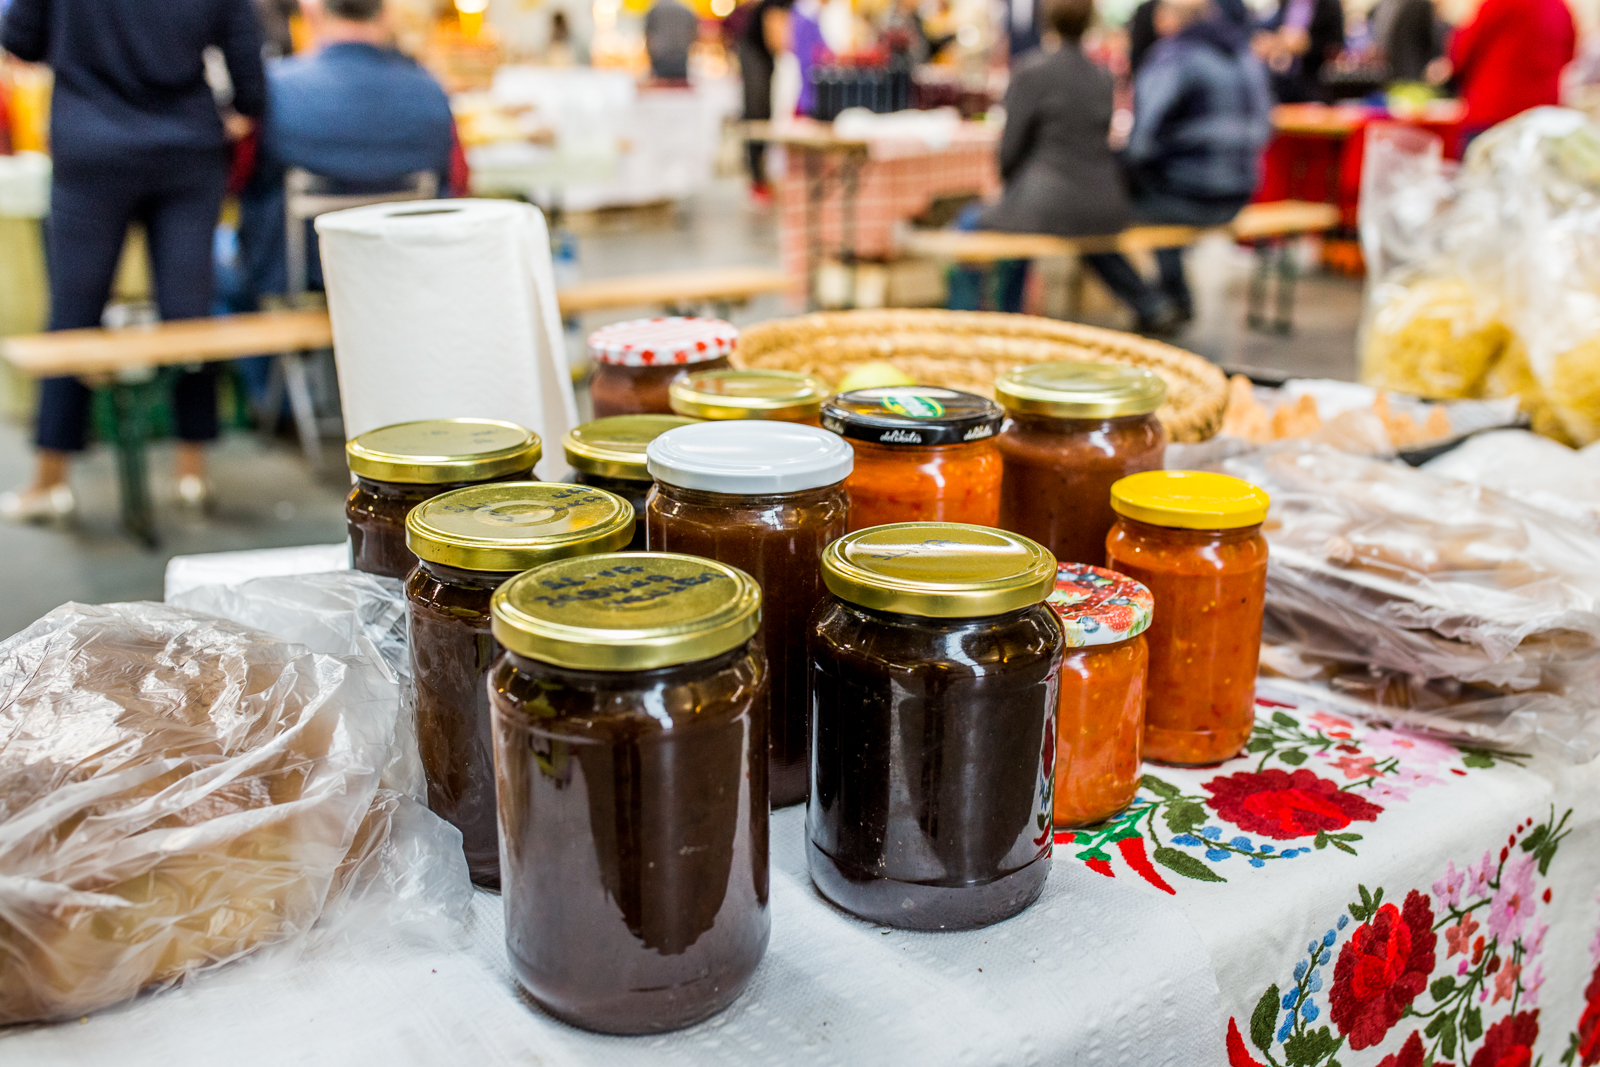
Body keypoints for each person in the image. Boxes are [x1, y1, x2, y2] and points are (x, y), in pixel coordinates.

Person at [0, 0, 266, 523]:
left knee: (74, 309)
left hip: (90, 143)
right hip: (187, 146)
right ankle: (192, 471)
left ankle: (50, 481)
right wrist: (237, 114)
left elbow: (20, 39)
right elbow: (247, 65)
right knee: (188, 309)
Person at [235, 0, 457, 302]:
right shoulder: (432, 93)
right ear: (387, 13)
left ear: (314, 10)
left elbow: (237, 177)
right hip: (405, 280)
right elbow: (458, 183)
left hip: (296, 280)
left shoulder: (275, 90)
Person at [955, 0, 1146, 321]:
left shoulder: (1032, 71)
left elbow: (1009, 150)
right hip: (1102, 204)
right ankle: (1150, 303)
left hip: (1047, 205)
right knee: (1021, 217)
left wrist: (1014, 186)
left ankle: (973, 321)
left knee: (972, 223)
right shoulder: (1101, 76)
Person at [1092, 0, 1272, 329]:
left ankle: (1150, 303)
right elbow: (1266, 129)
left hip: (1191, 197)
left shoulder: (1176, 57)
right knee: (1156, 186)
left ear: (1167, 18)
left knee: (1090, 218)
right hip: (1240, 195)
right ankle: (1177, 297)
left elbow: (1141, 143)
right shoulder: (1246, 56)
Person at [1446, 0, 1575, 137]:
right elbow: (1569, 55)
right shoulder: (1560, 7)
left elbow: (1462, 51)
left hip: (1493, 112)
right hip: (1542, 116)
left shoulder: (1499, 3)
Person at [738, 0, 795, 202]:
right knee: (757, 112)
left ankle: (765, 176)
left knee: (768, 113)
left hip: (765, 55)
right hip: (755, 52)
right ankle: (757, 179)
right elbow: (776, 38)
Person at [1254, 0, 1344, 103]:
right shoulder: (1286, 3)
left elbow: (1335, 45)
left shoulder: (1329, 5)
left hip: (1315, 83)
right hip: (1282, 81)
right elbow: (1275, 30)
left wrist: (1307, 45)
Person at [1367, 0, 1439, 85]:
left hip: (1395, 72)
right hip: (1414, 74)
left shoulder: (1384, 6)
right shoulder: (1421, 5)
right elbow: (1429, 40)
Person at [645, 0, 699, 82]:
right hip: (681, 54)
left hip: (661, 55)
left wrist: (650, 55)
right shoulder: (686, 9)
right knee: (680, 86)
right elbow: (694, 33)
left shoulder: (655, 9)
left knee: (661, 87)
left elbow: (649, 35)